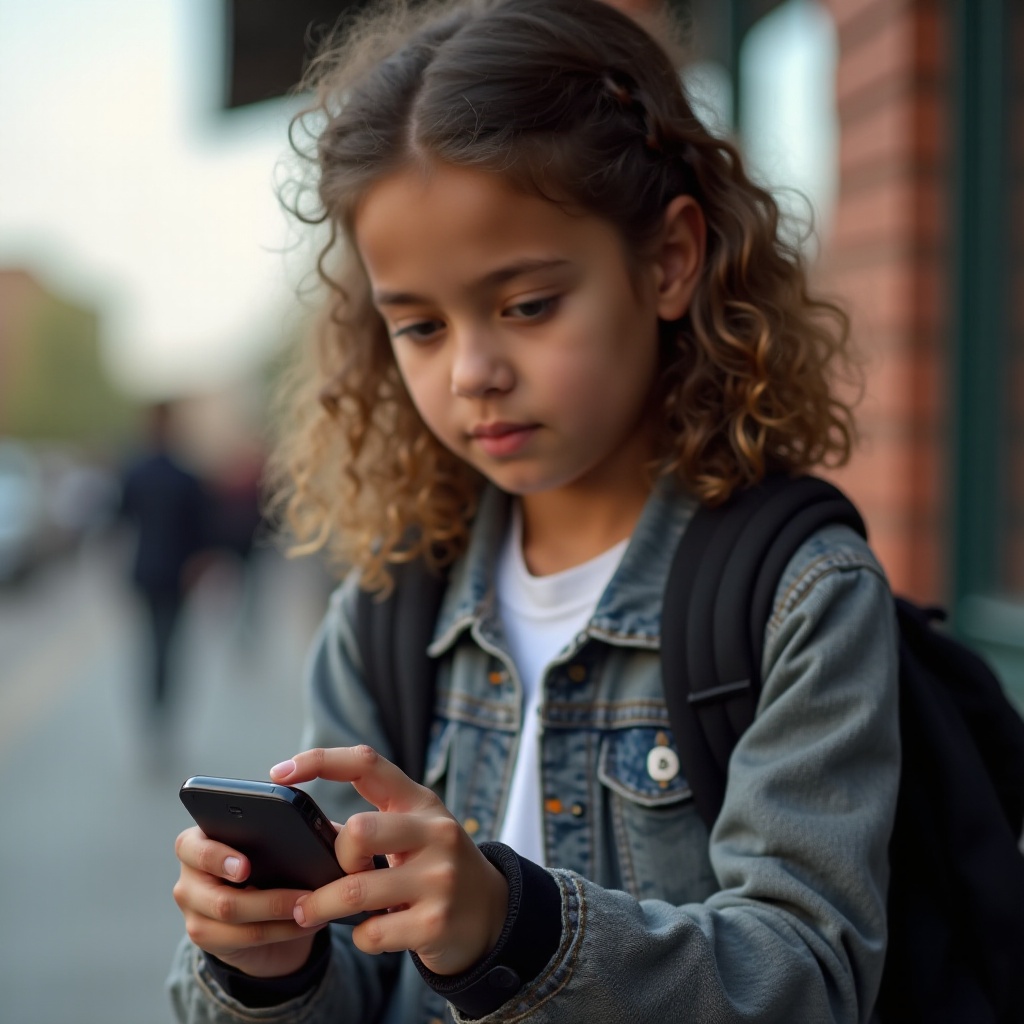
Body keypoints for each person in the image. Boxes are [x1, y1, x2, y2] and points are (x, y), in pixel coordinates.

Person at [168, 1, 899, 1021]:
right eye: (419, 325)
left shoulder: (796, 595)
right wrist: (264, 964)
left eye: (526, 305)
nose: (473, 371)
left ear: (669, 260)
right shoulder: (390, 606)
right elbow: (354, 982)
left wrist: (514, 925)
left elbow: (808, 980)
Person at [119, 401, 207, 737]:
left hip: (146, 571)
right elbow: (202, 530)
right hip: (176, 575)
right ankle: (162, 709)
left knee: (150, 644)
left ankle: (153, 709)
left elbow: (121, 518)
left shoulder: (135, 471)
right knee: (168, 645)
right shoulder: (185, 475)